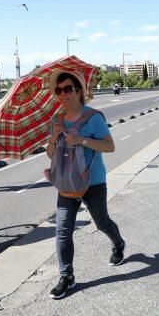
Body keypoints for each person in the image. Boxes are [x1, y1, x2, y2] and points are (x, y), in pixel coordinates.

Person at [46, 70, 125, 300]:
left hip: (93, 181)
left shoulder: (94, 118)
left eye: (68, 89)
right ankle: (66, 277)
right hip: (65, 182)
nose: (63, 94)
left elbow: (110, 146)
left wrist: (81, 140)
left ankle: (118, 243)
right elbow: (50, 154)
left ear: (79, 91)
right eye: (59, 90)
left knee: (102, 223)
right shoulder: (57, 121)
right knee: (62, 231)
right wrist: (54, 138)